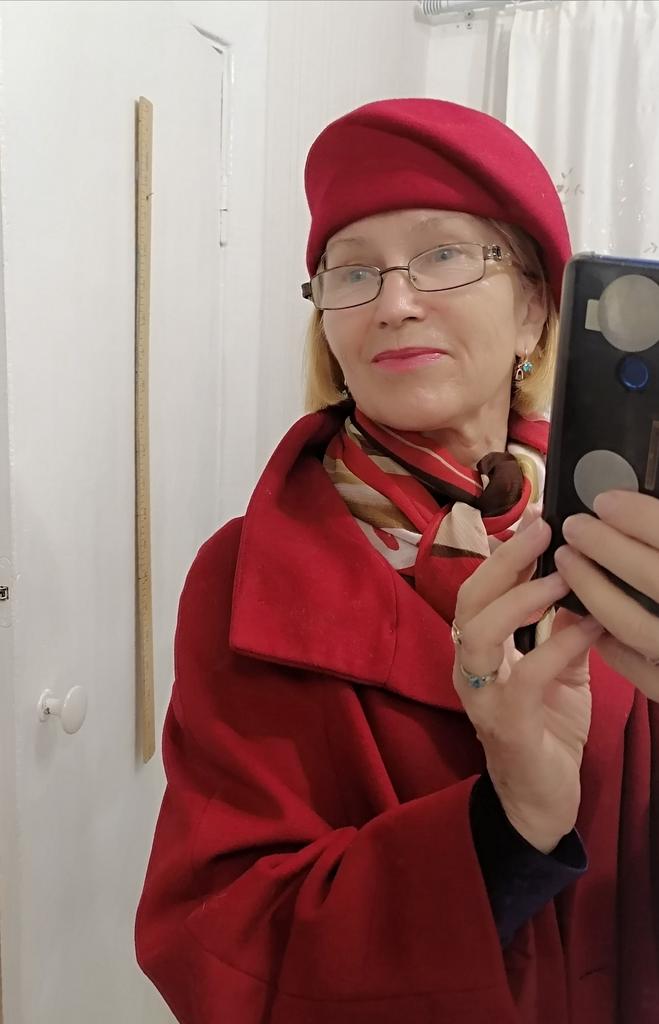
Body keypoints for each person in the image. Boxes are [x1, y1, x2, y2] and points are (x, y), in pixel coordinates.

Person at [135, 98, 659, 1024]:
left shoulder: (628, 543)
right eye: (351, 272)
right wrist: (506, 831)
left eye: (444, 254)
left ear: (535, 308)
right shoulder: (245, 575)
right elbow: (218, 948)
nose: (393, 302)